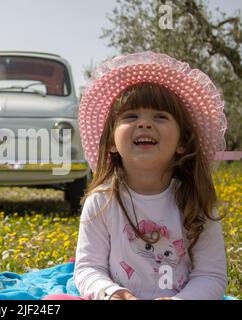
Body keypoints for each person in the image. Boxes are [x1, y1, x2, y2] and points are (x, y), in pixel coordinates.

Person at [45, 51, 228, 300]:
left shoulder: (196, 201)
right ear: (111, 141)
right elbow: (89, 268)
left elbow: (211, 275)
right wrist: (111, 293)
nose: (144, 123)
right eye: (131, 116)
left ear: (182, 142)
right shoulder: (101, 201)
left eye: (160, 116)